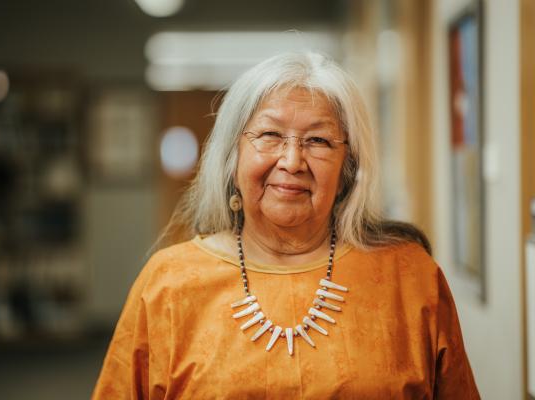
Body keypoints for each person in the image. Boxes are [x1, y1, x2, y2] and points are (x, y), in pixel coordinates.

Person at [91, 51, 480, 399]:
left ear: (349, 168)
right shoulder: (169, 283)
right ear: (232, 156)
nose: (292, 160)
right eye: (270, 135)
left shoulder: (410, 277)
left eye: (318, 141)